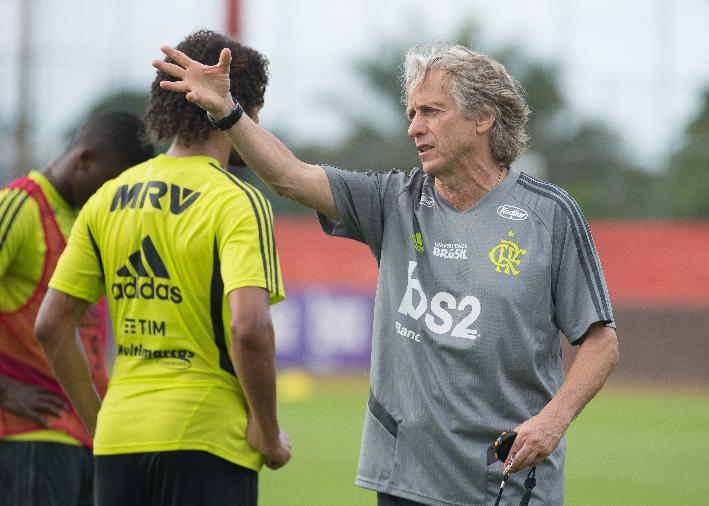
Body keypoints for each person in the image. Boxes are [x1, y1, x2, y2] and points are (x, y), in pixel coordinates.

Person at [152, 40, 620, 505]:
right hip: (404, 480)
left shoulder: (550, 215)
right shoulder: (392, 200)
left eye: (432, 112)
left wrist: (554, 421)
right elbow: (288, 176)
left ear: (483, 117)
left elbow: (602, 340)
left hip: (509, 482)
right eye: (412, 113)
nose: (415, 128)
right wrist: (228, 112)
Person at [35, 30, 291, 506]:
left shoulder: (109, 196)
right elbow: (250, 327)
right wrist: (268, 430)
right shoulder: (237, 200)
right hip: (209, 439)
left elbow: (51, 325)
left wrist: (100, 424)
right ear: (239, 109)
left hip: (119, 440)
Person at [0, 110, 153, 506]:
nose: (115, 199)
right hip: (31, 435)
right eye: (111, 185)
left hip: (87, 434)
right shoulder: (20, 206)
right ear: (84, 160)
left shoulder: (91, 224)